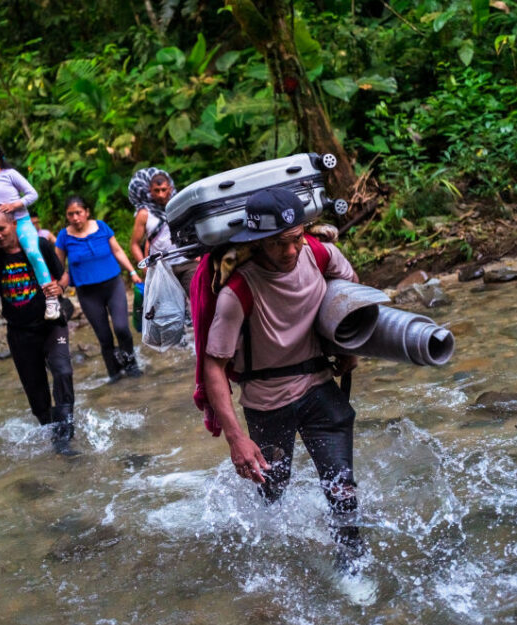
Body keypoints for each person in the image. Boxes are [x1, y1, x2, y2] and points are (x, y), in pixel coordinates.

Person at [198, 188, 364, 571]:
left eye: (296, 239)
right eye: (277, 244)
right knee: (273, 493)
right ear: (256, 243)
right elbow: (213, 368)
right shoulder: (238, 290)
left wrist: (348, 348)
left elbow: (352, 296)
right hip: (267, 403)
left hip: (320, 387)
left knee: (343, 490)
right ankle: (271, 561)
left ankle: (351, 564)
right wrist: (237, 439)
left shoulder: (321, 254)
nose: (290, 252)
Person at [0, 205, 79, 456]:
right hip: (19, 332)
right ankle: (54, 436)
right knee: (35, 391)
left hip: (51, 324)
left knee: (63, 371)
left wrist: (60, 289)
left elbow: (63, 276)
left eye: (1, 229)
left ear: (14, 225)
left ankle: (66, 433)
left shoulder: (39, 246)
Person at [0, 137, 61, 325]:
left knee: (34, 252)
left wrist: (15, 205)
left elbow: (32, 194)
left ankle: (51, 299)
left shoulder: (10, 174)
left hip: (21, 222)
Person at [54, 195, 144, 383]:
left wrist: (132, 272)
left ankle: (131, 364)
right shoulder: (64, 237)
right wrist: (57, 287)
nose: (75, 217)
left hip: (113, 285)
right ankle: (115, 374)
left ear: (86, 212)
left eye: (78, 213)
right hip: (87, 293)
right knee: (104, 336)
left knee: (122, 328)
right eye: (71, 214)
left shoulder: (101, 227)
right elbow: (58, 266)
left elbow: (117, 250)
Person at [128, 168, 199, 294]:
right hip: (161, 268)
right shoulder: (144, 214)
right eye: (156, 190)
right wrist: (145, 268)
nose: (161, 194)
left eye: (163, 190)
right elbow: (134, 244)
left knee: (197, 299)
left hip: (187, 262)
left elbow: (196, 228)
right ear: (150, 191)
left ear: (170, 189)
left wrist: (199, 253)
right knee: (171, 309)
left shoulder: (180, 206)